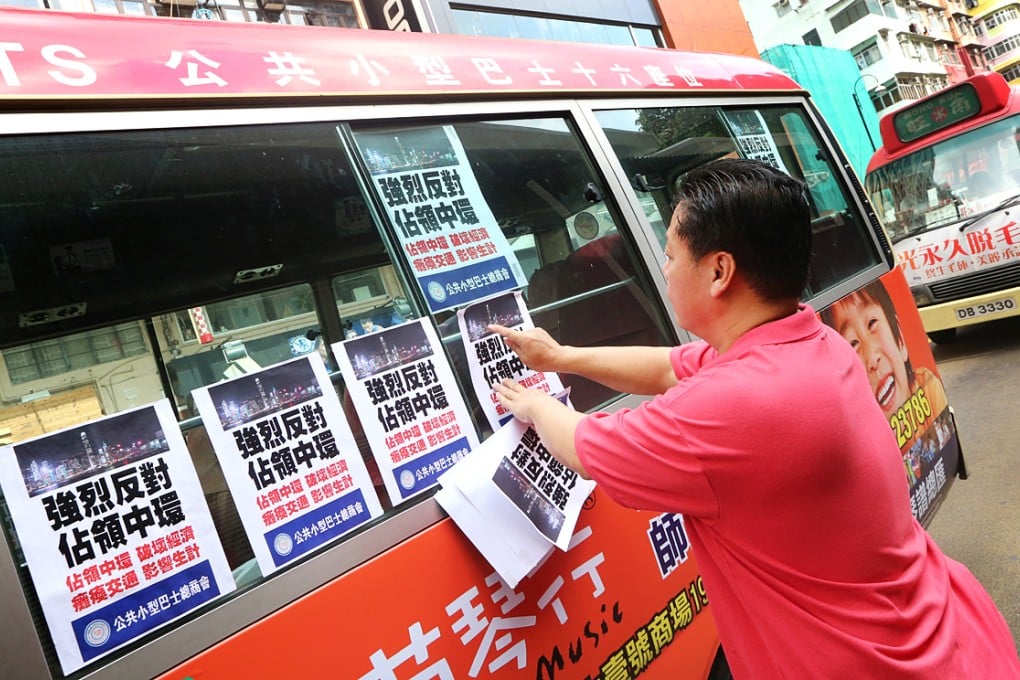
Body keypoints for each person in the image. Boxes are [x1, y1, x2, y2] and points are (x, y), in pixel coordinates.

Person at [489, 158, 1020, 679]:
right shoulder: (809, 341)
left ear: (719, 271)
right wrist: (559, 358)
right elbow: (667, 368)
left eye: (670, 255)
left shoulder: (729, 408)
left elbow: (584, 445)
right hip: (948, 637)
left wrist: (533, 404)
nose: (665, 270)